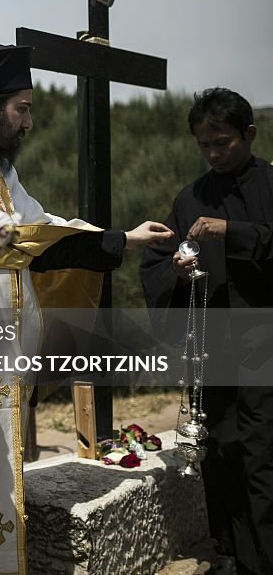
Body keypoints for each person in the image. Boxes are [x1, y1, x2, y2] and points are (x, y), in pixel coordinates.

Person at [0, 44, 172, 574]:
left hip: (0, 371)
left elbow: (43, 235)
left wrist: (124, 240)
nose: (29, 121)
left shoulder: (0, 175)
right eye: (21, 108)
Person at [140, 87, 273, 574]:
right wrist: (174, 270)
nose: (215, 154)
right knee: (220, 447)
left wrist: (231, 231)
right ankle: (231, 553)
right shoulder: (191, 197)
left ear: (249, 134)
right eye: (205, 145)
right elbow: (158, 263)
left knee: (264, 453)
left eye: (224, 143)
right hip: (213, 349)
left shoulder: (269, 186)